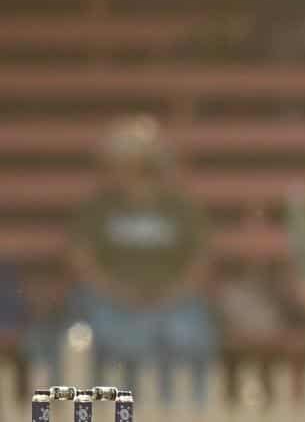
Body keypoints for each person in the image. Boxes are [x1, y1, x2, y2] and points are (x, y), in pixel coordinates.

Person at [67, 116, 219, 396]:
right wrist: (121, 294)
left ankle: (189, 417)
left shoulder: (181, 207)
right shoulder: (99, 208)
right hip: (110, 300)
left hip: (175, 300)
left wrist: (169, 295)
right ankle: (123, 415)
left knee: (190, 336)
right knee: (118, 338)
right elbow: (84, 262)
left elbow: (199, 261)